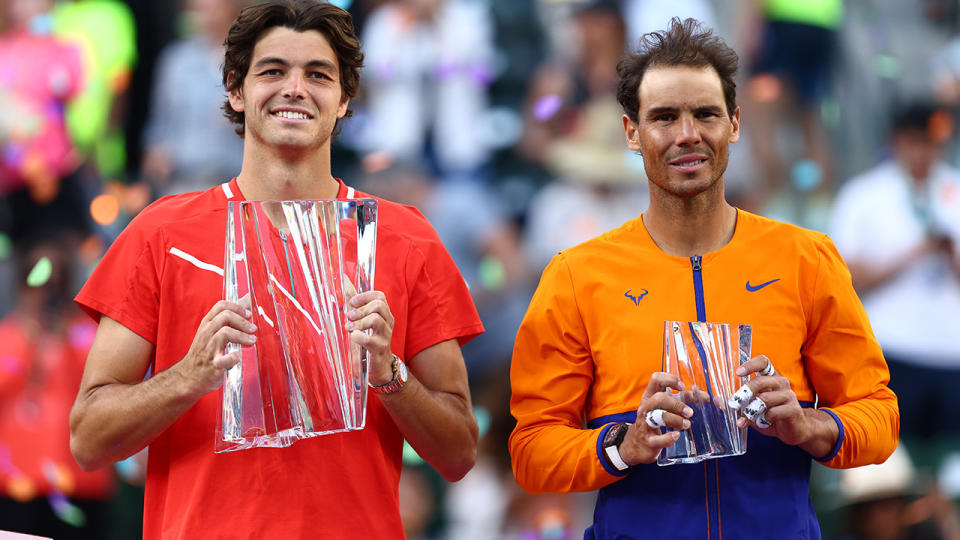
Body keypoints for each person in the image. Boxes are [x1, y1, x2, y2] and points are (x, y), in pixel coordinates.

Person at [68, 2, 483, 538]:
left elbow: (458, 453)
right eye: (272, 71)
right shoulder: (159, 233)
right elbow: (88, 441)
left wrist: (389, 374)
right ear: (237, 91)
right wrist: (188, 376)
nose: (294, 88)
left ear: (344, 100)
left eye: (318, 74)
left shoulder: (406, 238)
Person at [509, 18, 899, 539]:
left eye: (706, 114)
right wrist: (622, 446)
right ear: (632, 132)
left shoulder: (806, 258)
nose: (687, 134)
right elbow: (532, 449)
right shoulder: (578, 276)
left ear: (734, 125)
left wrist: (809, 426)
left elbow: (879, 416)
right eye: (664, 117)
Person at [829, 101, 960, 471]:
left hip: (952, 352)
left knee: (950, 469)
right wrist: (918, 251)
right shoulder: (864, 196)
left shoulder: (954, 188)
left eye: (935, 143)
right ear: (897, 140)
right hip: (892, 350)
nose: (926, 153)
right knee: (891, 463)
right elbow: (845, 279)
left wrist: (949, 255)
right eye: (917, 141)